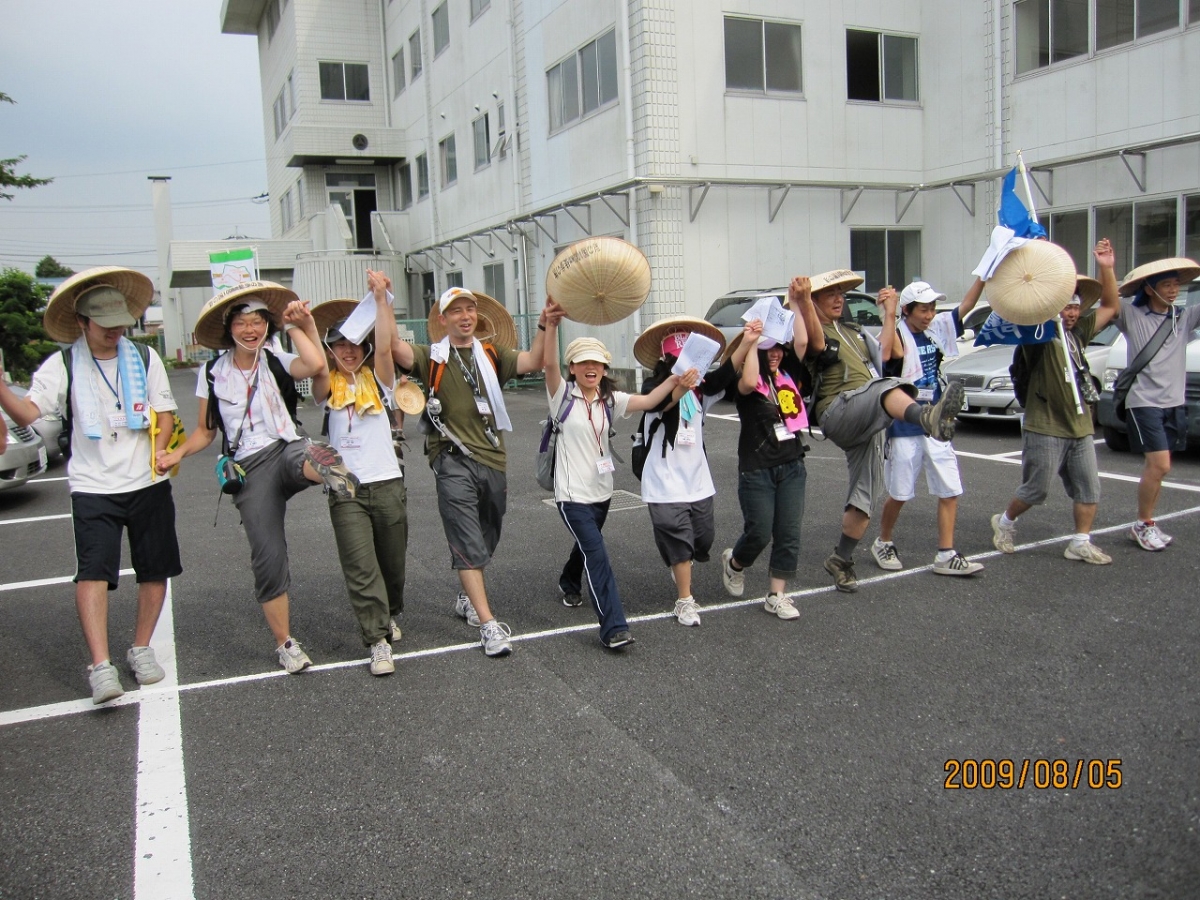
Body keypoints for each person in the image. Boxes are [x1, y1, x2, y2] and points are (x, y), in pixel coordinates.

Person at [0, 268, 182, 703]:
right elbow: (27, 414)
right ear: (82, 322)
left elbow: (164, 413)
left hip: (147, 480)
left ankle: (141, 648)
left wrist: (161, 448)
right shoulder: (62, 364)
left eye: (120, 324)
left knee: (155, 568)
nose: (114, 332)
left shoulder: (144, 357)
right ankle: (101, 666)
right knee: (94, 572)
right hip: (93, 486)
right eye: (104, 325)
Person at [156, 282, 358, 674]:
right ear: (228, 328)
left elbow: (316, 365)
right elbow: (205, 431)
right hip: (248, 467)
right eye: (242, 323)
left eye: (258, 322)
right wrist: (176, 454)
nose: (251, 330)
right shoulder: (212, 374)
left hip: (285, 446)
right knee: (268, 555)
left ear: (268, 325)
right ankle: (285, 643)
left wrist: (297, 324)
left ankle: (332, 471)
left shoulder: (277, 358)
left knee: (308, 453)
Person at [390, 286, 556, 657]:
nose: (465, 316)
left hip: (492, 457)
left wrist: (546, 325)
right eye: (456, 311)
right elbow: (394, 348)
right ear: (443, 319)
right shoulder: (431, 357)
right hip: (450, 458)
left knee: (487, 532)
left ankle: (467, 595)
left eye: (470, 310)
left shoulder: (493, 355)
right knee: (466, 538)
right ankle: (488, 624)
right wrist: (385, 301)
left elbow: (536, 360)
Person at [796, 269, 965, 594]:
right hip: (839, 408)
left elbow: (887, 354)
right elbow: (814, 343)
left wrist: (889, 313)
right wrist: (802, 302)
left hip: (869, 413)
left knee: (865, 497)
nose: (839, 299)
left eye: (841, 294)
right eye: (830, 294)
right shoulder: (810, 330)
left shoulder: (854, 330)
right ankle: (927, 418)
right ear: (814, 300)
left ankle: (841, 559)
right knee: (884, 386)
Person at [542, 310, 682, 648]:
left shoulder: (610, 400)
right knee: (598, 554)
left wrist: (676, 379)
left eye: (597, 362)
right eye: (583, 362)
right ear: (572, 367)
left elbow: (650, 401)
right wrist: (550, 327)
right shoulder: (561, 395)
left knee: (586, 546)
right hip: (571, 495)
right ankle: (613, 627)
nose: (591, 367)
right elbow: (548, 365)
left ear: (605, 369)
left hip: (602, 492)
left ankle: (568, 581)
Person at [991, 239, 1121, 563]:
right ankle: (1004, 522)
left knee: (1089, 488)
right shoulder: (1039, 336)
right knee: (1036, 489)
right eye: (1066, 306)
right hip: (1045, 424)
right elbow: (1024, 312)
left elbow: (1110, 307)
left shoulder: (1078, 334)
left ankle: (1079, 541)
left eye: (1076, 306)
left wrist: (1107, 268)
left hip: (1080, 425)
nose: (1072, 312)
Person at [310, 271, 407, 676]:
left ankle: (389, 611)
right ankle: (377, 640)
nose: (347, 351)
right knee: (360, 565)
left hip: (387, 481)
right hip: (345, 486)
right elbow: (314, 363)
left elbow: (385, 346)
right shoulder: (324, 385)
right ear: (330, 350)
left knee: (392, 564)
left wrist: (381, 299)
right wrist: (302, 324)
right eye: (339, 345)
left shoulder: (381, 380)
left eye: (354, 344)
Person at [632, 316, 745, 627]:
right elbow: (659, 405)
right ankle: (685, 600)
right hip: (664, 481)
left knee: (703, 540)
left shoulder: (701, 391)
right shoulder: (653, 387)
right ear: (667, 361)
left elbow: (726, 373)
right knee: (679, 542)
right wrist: (678, 387)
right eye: (679, 361)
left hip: (697, 480)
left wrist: (748, 340)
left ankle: (681, 561)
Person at [871, 278, 985, 576]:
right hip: (903, 425)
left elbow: (967, 305)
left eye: (932, 308)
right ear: (907, 310)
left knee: (950, 488)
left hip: (936, 422)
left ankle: (946, 554)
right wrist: (888, 313)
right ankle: (883, 541)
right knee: (900, 493)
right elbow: (884, 354)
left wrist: (984, 275)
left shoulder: (937, 330)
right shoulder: (898, 333)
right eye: (923, 309)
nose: (930, 315)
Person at [721, 277, 812, 618]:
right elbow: (747, 380)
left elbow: (801, 341)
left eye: (778, 348)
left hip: (792, 464)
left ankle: (776, 594)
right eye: (768, 348)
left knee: (788, 533)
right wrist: (754, 340)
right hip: (757, 468)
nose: (775, 353)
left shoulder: (786, 375)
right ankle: (735, 562)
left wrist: (797, 302)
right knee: (759, 532)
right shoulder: (747, 383)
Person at [1111, 256, 1200, 550]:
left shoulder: (1182, 318)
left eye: (1176, 285)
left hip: (1174, 403)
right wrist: (1107, 267)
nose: (1173, 290)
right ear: (1149, 289)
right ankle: (1143, 523)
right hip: (1144, 402)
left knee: (1160, 468)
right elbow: (1110, 299)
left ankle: (1147, 523)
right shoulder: (1133, 316)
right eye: (1166, 285)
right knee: (1159, 464)